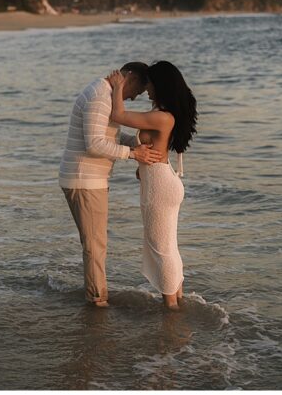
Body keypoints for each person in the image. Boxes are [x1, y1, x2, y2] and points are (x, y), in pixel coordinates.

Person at [58, 62, 163, 308]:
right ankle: (97, 300)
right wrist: (133, 154)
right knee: (95, 244)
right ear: (131, 77)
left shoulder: (104, 94)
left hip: (86, 178)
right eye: (138, 89)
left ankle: (95, 294)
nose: (136, 96)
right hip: (85, 179)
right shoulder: (100, 96)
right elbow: (95, 144)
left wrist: (136, 146)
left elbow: (108, 136)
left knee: (95, 242)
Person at [108, 61, 197, 310]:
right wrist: (138, 158)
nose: (146, 89)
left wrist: (118, 87)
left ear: (161, 85)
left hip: (159, 186)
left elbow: (118, 116)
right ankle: (176, 298)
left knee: (161, 248)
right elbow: (146, 144)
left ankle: (171, 306)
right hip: (161, 180)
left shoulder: (160, 116)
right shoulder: (164, 114)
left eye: (149, 84)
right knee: (168, 246)